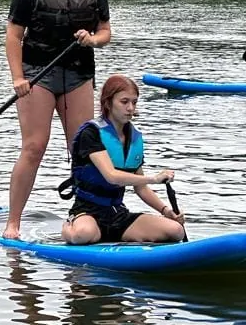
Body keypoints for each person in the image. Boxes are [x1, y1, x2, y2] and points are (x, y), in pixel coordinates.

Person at [2, 0, 112, 239]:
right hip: (38, 76)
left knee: (82, 148)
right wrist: (18, 78)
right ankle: (13, 223)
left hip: (78, 75)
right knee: (34, 147)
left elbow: (105, 31)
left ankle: (85, 218)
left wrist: (93, 40)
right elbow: (13, 36)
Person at [60, 75, 185, 245]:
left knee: (176, 231)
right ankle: (70, 225)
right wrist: (154, 178)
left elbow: (141, 188)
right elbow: (112, 176)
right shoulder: (91, 134)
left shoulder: (134, 138)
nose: (130, 108)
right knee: (84, 234)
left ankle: (115, 234)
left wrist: (165, 210)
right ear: (108, 103)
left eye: (134, 102)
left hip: (117, 213)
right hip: (87, 211)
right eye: (124, 102)